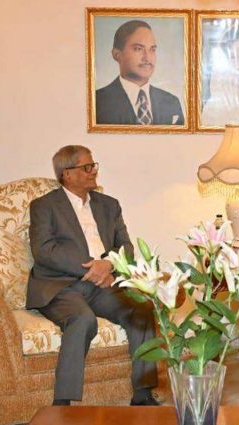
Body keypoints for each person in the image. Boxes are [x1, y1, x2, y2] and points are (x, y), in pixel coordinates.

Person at [27, 145, 159, 406]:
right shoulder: (44, 206)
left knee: (142, 309)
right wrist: (91, 268)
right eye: (86, 167)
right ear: (67, 174)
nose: (93, 171)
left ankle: (143, 394)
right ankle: (62, 403)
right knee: (83, 320)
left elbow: (126, 247)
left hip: (103, 284)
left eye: (93, 166)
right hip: (61, 286)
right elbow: (44, 251)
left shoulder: (109, 205)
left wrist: (108, 265)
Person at [96, 20, 185, 126]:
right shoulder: (98, 102)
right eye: (138, 49)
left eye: (152, 49)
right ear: (117, 54)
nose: (147, 58)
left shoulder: (171, 102)